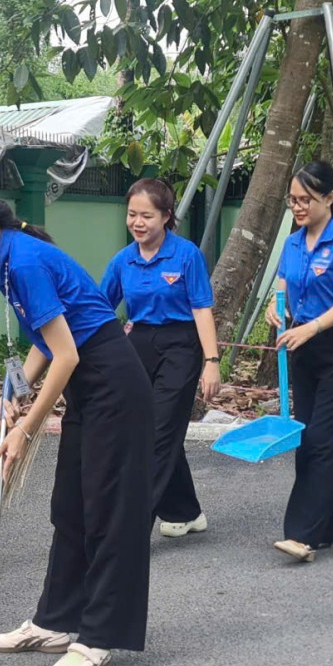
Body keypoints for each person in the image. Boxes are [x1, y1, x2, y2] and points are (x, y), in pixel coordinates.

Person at [0, 177, 154, 666]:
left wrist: (26, 427)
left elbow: (67, 353)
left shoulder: (23, 261)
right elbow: (48, 342)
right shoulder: (7, 262)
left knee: (108, 512)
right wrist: (16, 390)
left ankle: (97, 636)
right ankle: (56, 620)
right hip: (90, 386)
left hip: (112, 383)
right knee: (71, 505)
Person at [100, 178, 222, 537]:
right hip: (138, 345)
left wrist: (211, 362)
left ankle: (131, 528)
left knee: (157, 431)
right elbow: (99, 309)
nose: (138, 223)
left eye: (147, 216)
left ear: (167, 216)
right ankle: (185, 510)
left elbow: (201, 311)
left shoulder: (186, 255)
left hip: (181, 346)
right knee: (149, 430)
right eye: (132, 214)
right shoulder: (123, 261)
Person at [265, 160, 333, 563]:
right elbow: (283, 287)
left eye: (306, 199)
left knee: (323, 441)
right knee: (308, 439)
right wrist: (275, 311)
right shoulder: (292, 242)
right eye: (293, 200)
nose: (298, 207)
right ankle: (330, 530)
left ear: (329, 198)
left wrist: (312, 328)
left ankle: (302, 536)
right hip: (300, 347)